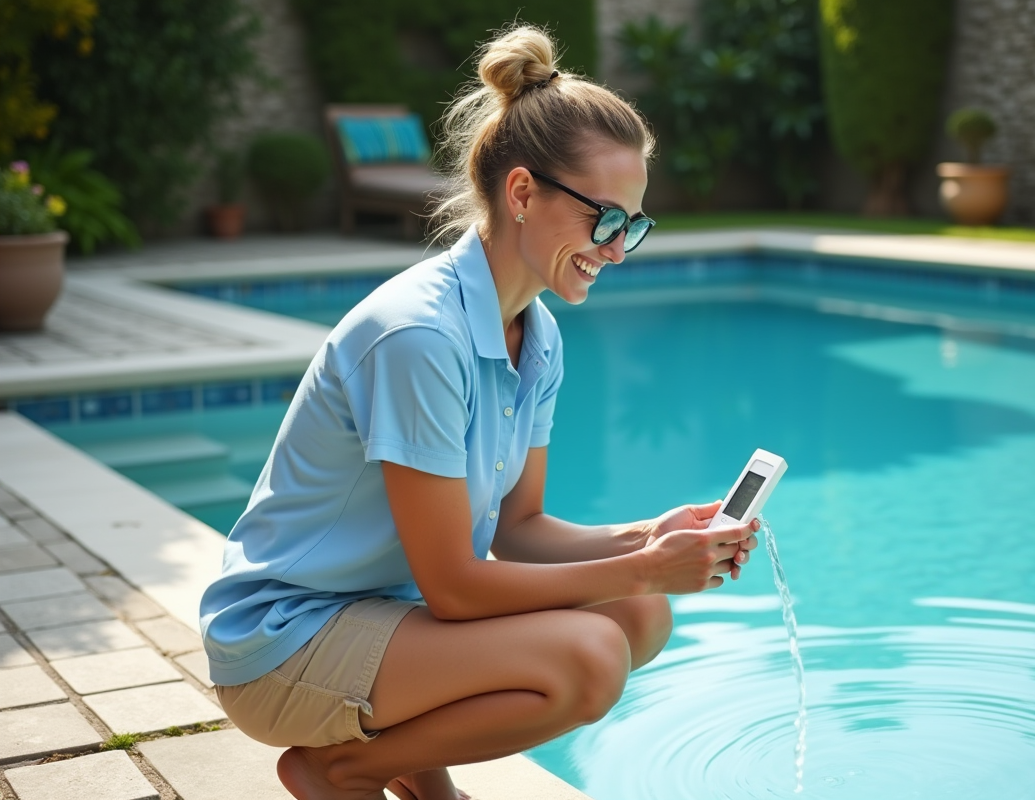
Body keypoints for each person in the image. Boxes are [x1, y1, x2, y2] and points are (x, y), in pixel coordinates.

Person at [199, 25, 759, 800]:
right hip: (284, 642)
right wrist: (640, 565)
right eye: (606, 219)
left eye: (633, 225)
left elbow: (517, 529)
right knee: (593, 653)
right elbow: (456, 588)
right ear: (523, 192)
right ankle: (341, 771)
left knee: (639, 615)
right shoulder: (419, 337)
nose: (619, 248)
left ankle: (430, 791)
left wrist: (650, 537)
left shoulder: (538, 334)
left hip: (379, 618)